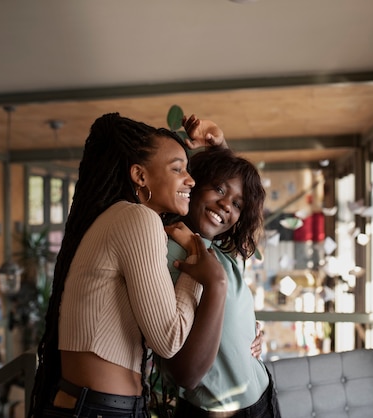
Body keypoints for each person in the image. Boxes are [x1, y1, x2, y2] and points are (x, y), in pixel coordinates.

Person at [28, 112, 228, 418]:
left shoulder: (120, 217)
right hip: (100, 409)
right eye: (178, 169)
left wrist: (220, 148)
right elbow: (169, 339)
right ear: (140, 175)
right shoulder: (137, 218)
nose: (191, 180)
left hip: (95, 405)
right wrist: (197, 268)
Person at [158, 115, 280, 417]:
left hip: (263, 393)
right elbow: (185, 373)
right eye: (219, 190)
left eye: (237, 206)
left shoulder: (218, 250)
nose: (227, 205)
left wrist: (219, 144)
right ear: (193, 186)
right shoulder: (168, 251)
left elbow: (231, 191)